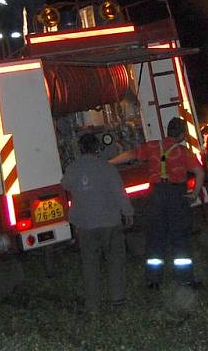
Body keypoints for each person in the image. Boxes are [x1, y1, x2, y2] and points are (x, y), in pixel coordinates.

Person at [110, 117, 205, 288]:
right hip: (176, 197)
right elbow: (199, 172)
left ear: (167, 131)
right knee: (180, 238)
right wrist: (194, 194)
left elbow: (130, 155)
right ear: (182, 135)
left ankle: (153, 280)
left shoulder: (153, 146)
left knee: (155, 238)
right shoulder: (184, 152)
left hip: (155, 197)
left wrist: (109, 163)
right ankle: (185, 279)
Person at [61, 133, 134, 312]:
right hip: (110, 222)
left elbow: (65, 184)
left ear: (80, 149)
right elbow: (119, 193)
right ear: (96, 148)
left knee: (90, 264)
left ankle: (93, 305)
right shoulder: (107, 168)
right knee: (115, 261)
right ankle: (118, 300)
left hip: (86, 225)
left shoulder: (73, 168)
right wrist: (128, 212)